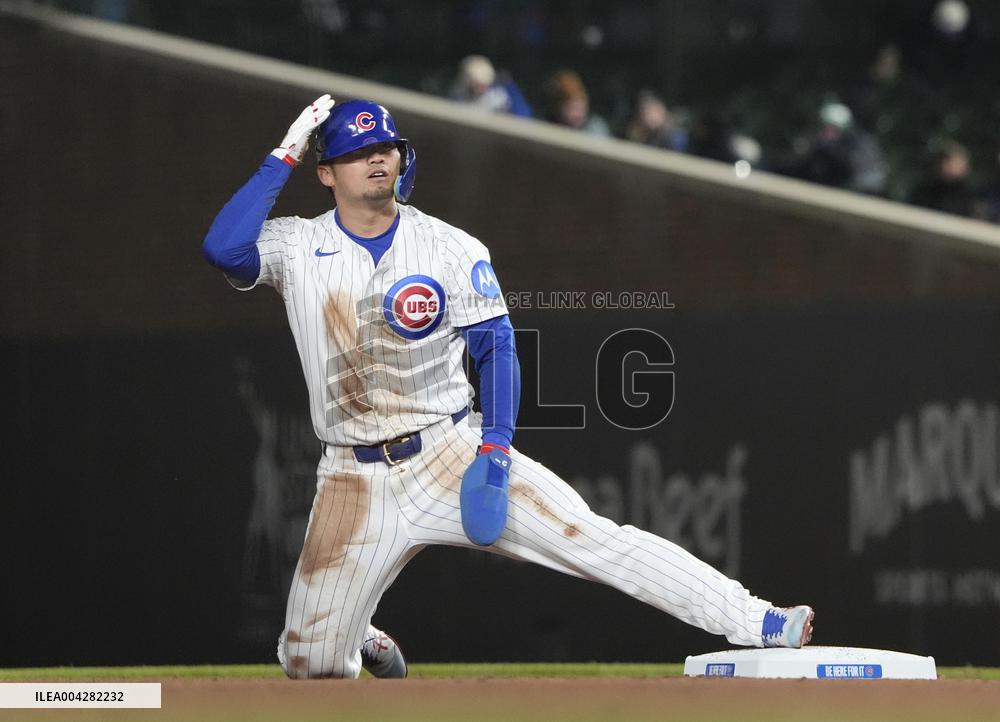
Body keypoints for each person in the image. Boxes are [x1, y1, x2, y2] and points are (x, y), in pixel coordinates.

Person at [202, 95, 814, 679]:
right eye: (358, 152)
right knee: (309, 664)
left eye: (385, 147)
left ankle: (758, 619)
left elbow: (496, 348)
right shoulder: (298, 244)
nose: (377, 158)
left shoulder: (447, 246)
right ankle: (359, 633)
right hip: (350, 476)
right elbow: (223, 249)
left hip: (446, 452)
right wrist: (283, 154)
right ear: (326, 172)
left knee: (593, 540)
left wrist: (494, 448)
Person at [449, 54, 533, 118]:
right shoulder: (459, 95)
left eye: (483, 84)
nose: (480, 87)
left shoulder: (500, 96)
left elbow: (524, 117)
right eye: (476, 84)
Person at [544, 70, 610, 137]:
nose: (577, 113)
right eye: (570, 107)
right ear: (557, 107)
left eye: (580, 106)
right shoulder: (546, 127)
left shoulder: (596, 128)